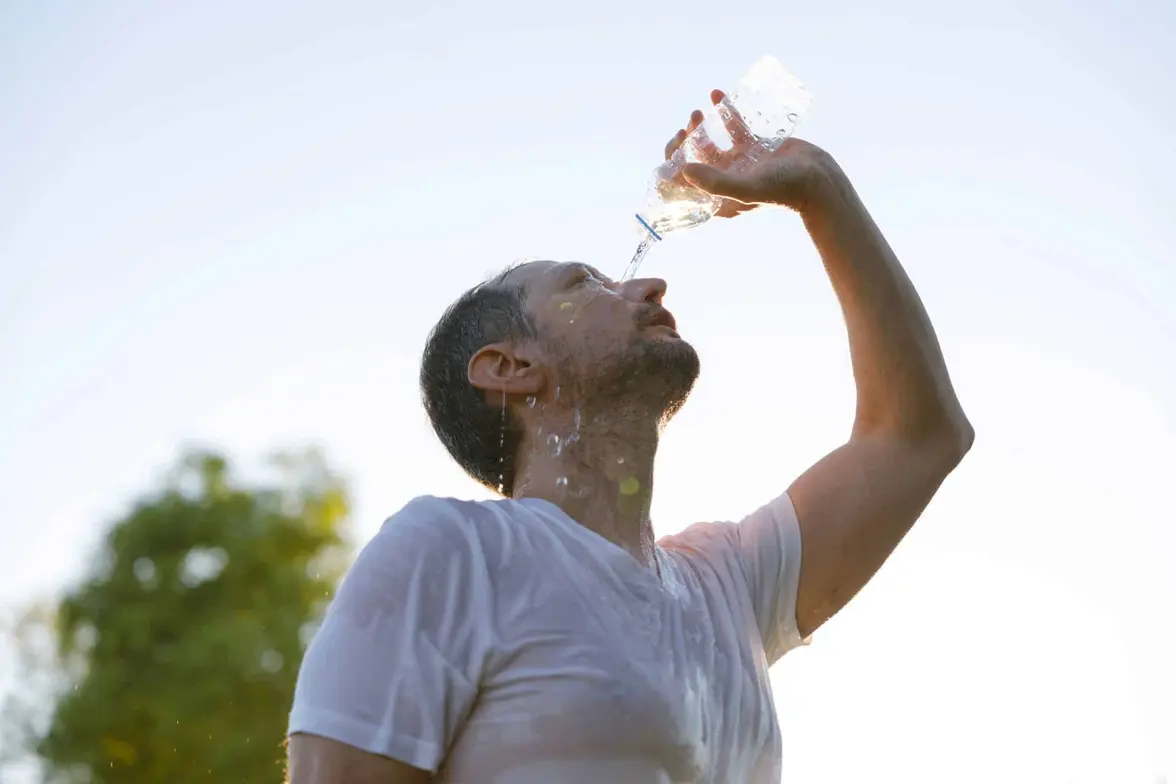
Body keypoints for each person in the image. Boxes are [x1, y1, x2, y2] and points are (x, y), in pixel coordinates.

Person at [285, 89, 974, 783]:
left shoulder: (729, 585)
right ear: (509, 367)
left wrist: (817, 187)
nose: (650, 287)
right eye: (585, 284)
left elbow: (919, 434)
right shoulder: (453, 554)